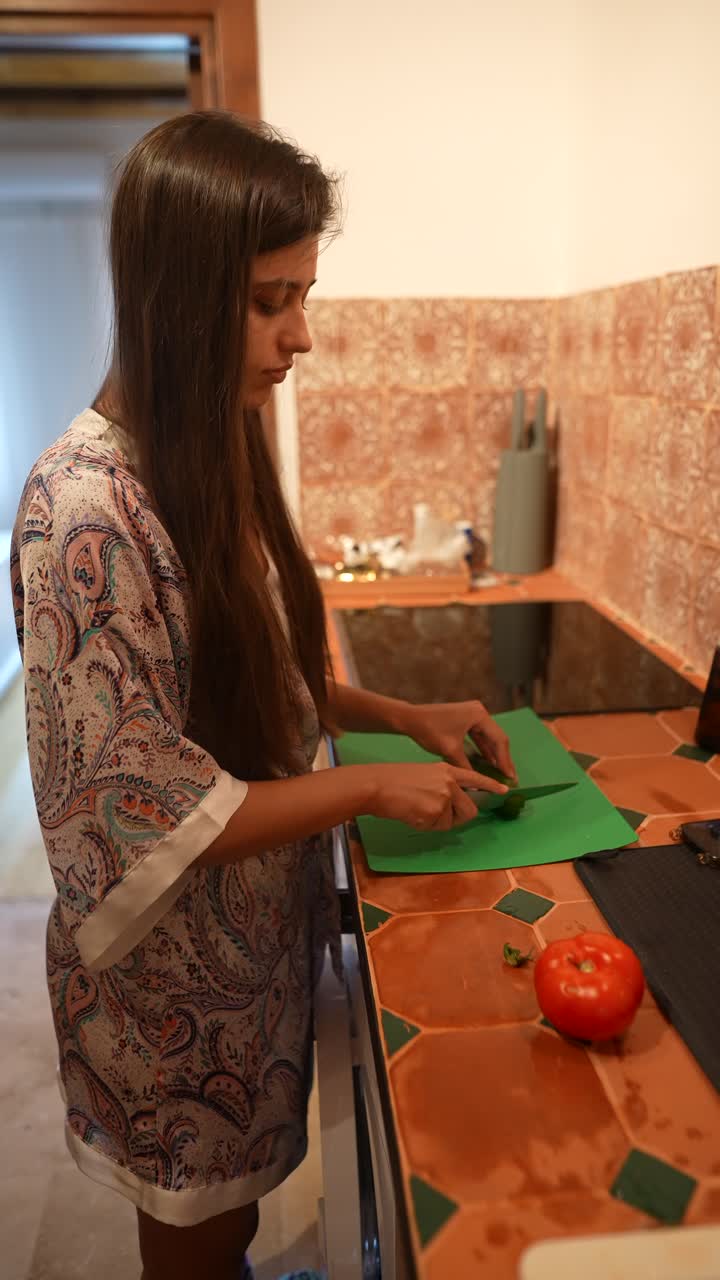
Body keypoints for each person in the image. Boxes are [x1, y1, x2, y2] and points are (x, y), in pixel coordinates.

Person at [10, 110, 516, 1280]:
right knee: (189, 1238)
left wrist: (398, 717)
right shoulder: (81, 509)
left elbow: (246, 674)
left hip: (243, 958)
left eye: (307, 294)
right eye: (270, 300)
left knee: (229, 1223)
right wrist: (364, 785)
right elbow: (139, 803)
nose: (303, 336)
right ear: (179, 295)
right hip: (163, 998)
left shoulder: (210, 445)